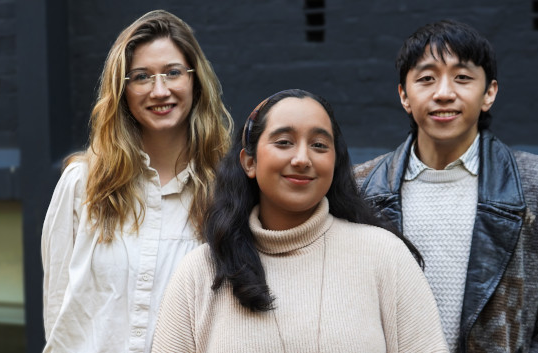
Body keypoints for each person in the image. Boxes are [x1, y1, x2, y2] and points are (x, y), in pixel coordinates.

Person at [354, 19, 538, 352]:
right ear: (404, 95)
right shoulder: (361, 188)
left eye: (462, 78)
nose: (444, 93)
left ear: (488, 92)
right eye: (426, 79)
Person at [151, 89, 448, 353]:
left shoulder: (384, 256)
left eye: (319, 145)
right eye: (284, 142)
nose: (302, 158)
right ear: (249, 162)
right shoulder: (201, 272)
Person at [41, 10, 233, 353]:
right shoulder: (82, 184)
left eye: (173, 72)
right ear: (123, 90)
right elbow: (58, 310)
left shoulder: (224, 190)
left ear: (194, 80)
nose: (160, 91)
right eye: (141, 77)